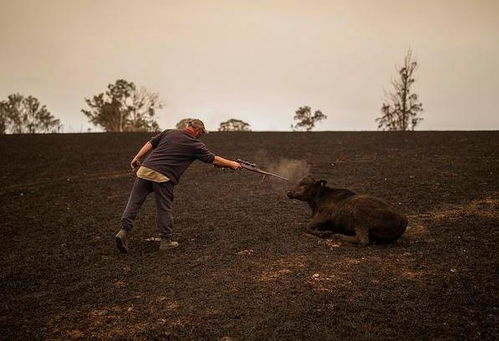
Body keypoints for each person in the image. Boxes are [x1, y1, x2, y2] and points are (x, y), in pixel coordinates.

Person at [115, 119, 241, 253]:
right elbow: (213, 159)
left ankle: (123, 231)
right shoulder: (195, 144)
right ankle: (166, 241)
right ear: (198, 131)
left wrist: (137, 157)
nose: (201, 135)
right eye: (201, 133)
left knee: (134, 202)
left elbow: (150, 143)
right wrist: (232, 164)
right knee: (164, 208)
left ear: (188, 126)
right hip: (163, 177)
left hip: (144, 170)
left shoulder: (169, 132)